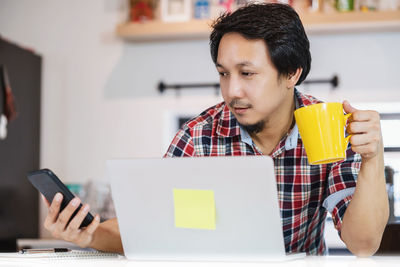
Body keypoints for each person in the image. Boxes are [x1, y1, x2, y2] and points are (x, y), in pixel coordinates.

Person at [41, 3, 388, 256]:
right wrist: (89, 235)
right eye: (224, 73)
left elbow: (363, 244)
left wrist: (373, 158)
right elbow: (150, 227)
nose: (232, 91)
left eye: (247, 73)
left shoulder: (326, 127)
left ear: (291, 73)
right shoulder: (198, 136)